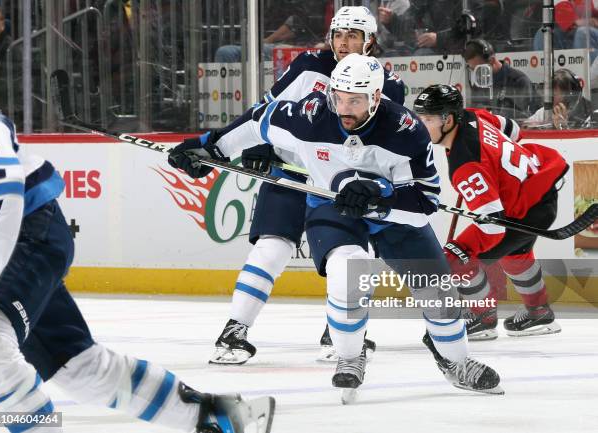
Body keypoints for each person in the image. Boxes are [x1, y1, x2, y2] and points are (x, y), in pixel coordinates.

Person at [168, 53, 503, 399]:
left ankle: (456, 362)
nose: (343, 108)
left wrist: (381, 197)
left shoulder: (407, 131)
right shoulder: (310, 115)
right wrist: (210, 148)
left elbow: (425, 203)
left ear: (375, 98)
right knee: (348, 272)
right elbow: (257, 121)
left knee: (438, 292)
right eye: (338, 97)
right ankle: (349, 355)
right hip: (332, 207)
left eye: (354, 100)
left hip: (394, 216)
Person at [0, 111, 275, 433]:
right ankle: (216, 417)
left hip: (26, 233)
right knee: (79, 368)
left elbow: (5, 185)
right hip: (15, 242)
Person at [209, 5, 405, 366]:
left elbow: (385, 142)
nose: (344, 43)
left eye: (353, 36)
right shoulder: (308, 65)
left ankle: (341, 332)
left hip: (341, 185)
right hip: (291, 172)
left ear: (371, 41)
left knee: (350, 259)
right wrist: (260, 144)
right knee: (272, 247)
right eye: (339, 34)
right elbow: (267, 110)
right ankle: (234, 330)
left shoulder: (389, 85)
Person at [413, 84, 568, 340]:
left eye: (428, 119)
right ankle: (538, 311)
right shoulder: (472, 115)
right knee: (515, 252)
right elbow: (513, 131)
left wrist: (460, 255)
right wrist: (493, 169)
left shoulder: (466, 164)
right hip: (538, 192)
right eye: (420, 118)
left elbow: (493, 227)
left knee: (454, 258)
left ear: (449, 119)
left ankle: (482, 317)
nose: (422, 126)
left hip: (524, 209)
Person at [463, 38, 539, 120]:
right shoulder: (479, 84)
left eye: (479, 69)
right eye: (473, 70)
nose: (476, 74)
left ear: (491, 61)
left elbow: (525, 118)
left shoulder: (518, 81)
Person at [526, 68, 594, 129]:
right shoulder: (546, 111)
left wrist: (564, 127)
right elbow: (525, 127)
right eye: (552, 94)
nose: (553, 98)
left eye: (556, 94)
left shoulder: (587, 114)